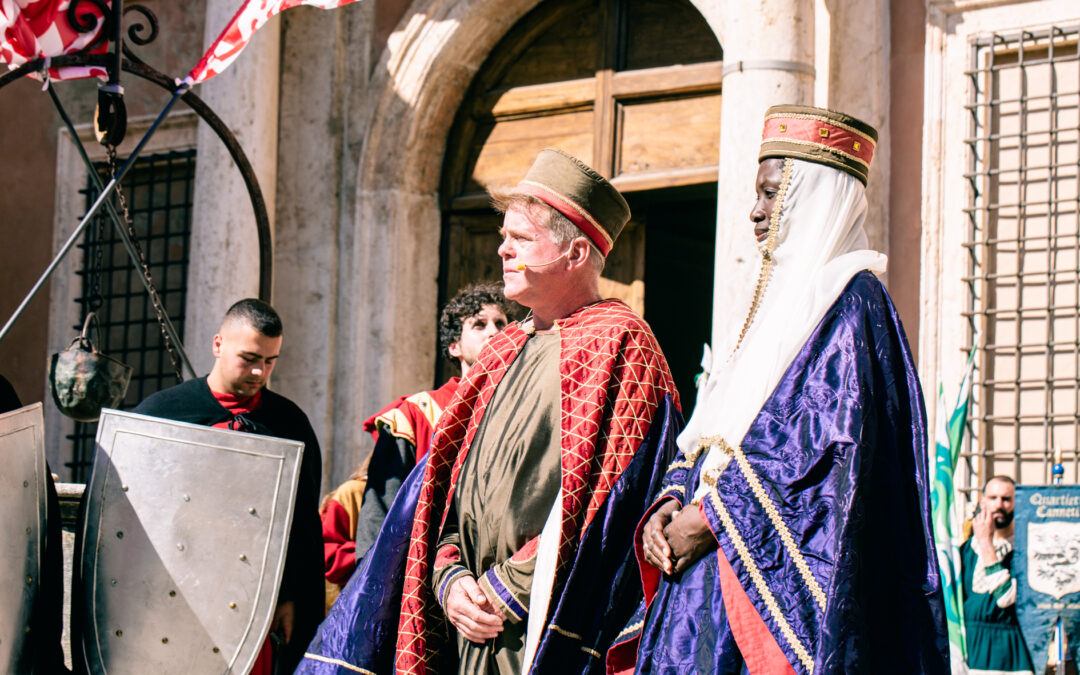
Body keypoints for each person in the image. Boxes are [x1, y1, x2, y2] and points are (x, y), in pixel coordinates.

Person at [299, 149, 682, 675]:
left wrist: (506, 591)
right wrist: (451, 579)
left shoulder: (623, 344)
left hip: (545, 630)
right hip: (466, 627)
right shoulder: (500, 353)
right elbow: (448, 496)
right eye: (504, 236)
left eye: (521, 239)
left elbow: (616, 506)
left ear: (574, 254)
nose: (503, 249)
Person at [615, 105, 949, 674]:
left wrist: (713, 517)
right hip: (699, 583)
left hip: (764, 596)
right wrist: (670, 501)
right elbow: (711, 435)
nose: (754, 211)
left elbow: (824, 451)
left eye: (773, 194)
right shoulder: (769, 311)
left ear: (814, 199)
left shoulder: (854, 306)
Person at [132, 299, 323, 674]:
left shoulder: (289, 423)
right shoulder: (165, 414)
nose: (259, 371)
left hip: (253, 602)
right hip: (177, 594)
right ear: (218, 345)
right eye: (249, 357)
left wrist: (289, 596)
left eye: (270, 361)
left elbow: (300, 524)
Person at [320, 283, 511, 597]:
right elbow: (379, 518)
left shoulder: (521, 414)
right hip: (418, 588)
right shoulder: (414, 416)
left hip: (496, 587)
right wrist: (375, 593)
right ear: (454, 346)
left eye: (501, 324)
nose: (495, 332)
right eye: (479, 324)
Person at [961, 476, 1035, 675]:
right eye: (993, 498)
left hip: (1010, 660)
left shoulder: (1025, 550)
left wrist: (986, 542)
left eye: (1006, 499)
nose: (999, 505)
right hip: (970, 657)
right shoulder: (965, 551)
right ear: (982, 502)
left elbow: (1005, 598)